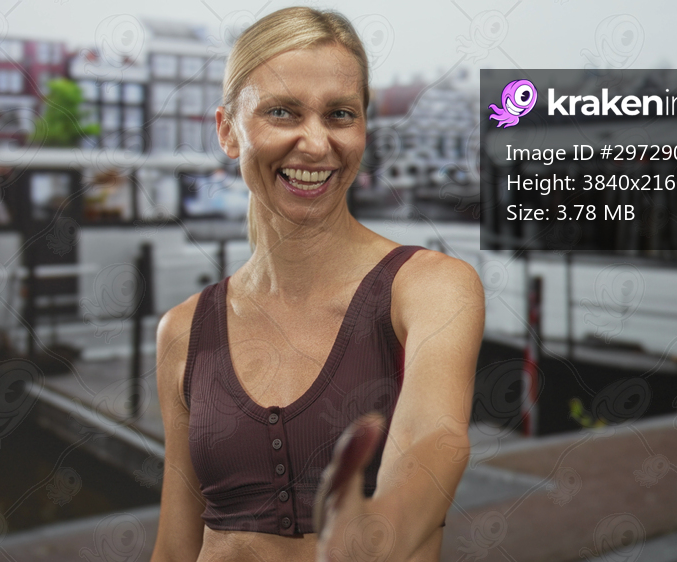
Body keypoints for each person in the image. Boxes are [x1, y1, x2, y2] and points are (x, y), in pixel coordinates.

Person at [151, 7, 483, 562]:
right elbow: (174, 545)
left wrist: (383, 530)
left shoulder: (431, 288)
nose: (314, 143)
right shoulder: (183, 331)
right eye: (282, 112)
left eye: (340, 114)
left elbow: (437, 440)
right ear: (228, 130)